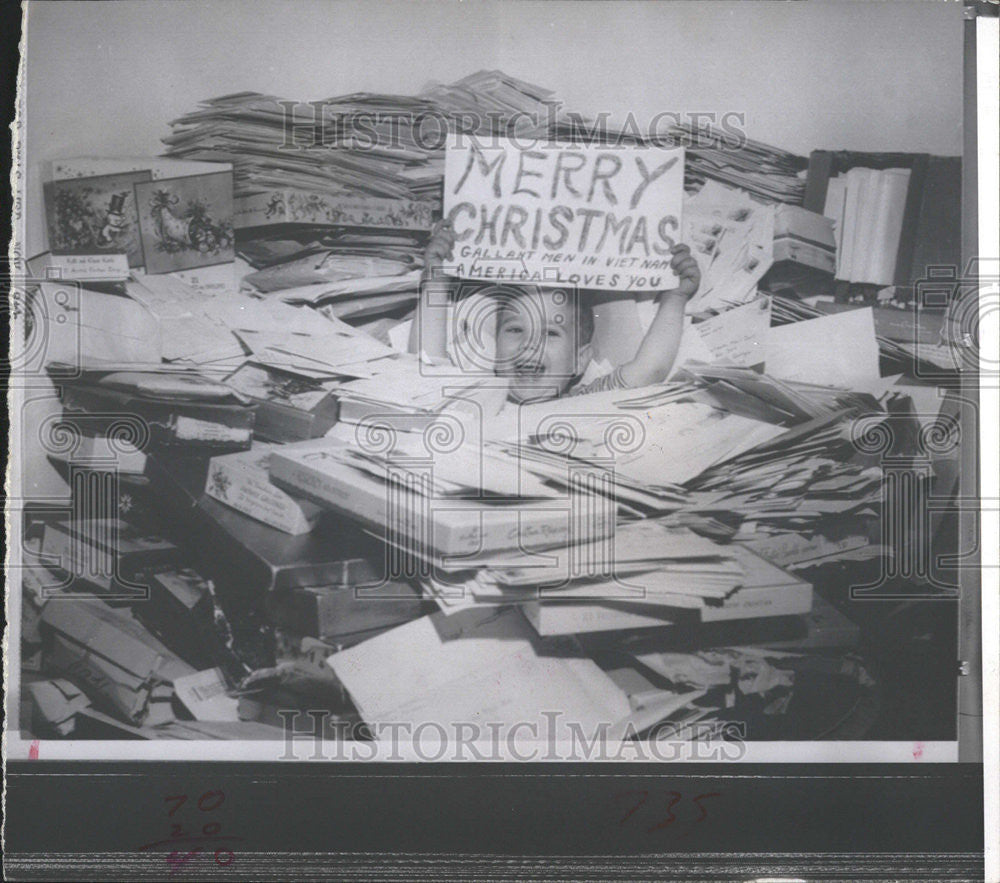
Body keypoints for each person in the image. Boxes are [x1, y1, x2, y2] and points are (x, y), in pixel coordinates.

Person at [410, 220, 701, 404]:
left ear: (580, 360)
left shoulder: (583, 399)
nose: (530, 343)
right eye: (514, 329)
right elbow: (424, 364)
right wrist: (436, 279)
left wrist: (675, 298)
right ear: (495, 349)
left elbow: (648, 371)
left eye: (551, 332)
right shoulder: (472, 396)